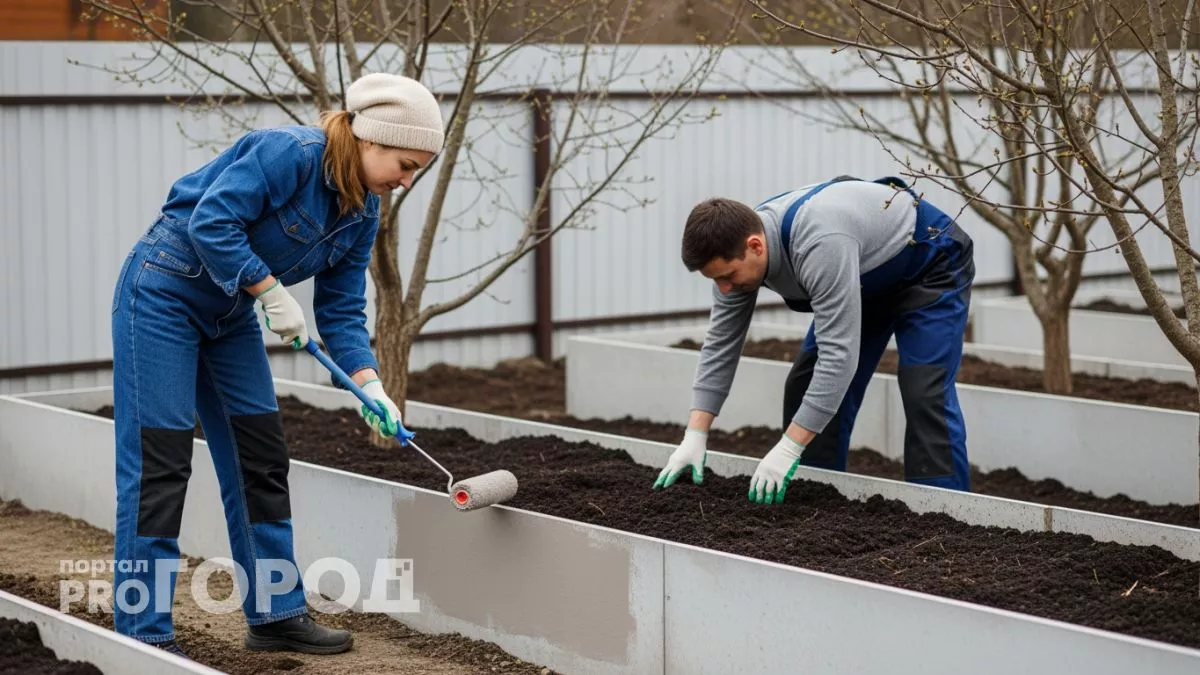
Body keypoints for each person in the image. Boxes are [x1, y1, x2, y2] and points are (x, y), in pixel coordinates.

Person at [109, 72, 444, 656]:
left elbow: (341, 312)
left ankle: (274, 614)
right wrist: (268, 288)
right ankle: (143, 635)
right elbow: (210, 220)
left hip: (229, 315)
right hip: (163, 292)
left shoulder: (362, 213)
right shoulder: (289, 154)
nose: (406, 181)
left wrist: (370, 385)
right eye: (405, 164)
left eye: (416, 171)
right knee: (161, 463)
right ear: (372, 138)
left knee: (260, 457)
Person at [652, 175, 975, 504]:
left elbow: (838, 357)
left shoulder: (818, 243)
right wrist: (695, 434)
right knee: (806, 384)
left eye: (728, 276)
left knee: (924, 391)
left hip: (929, 263)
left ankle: (945, 510)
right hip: (864, 274)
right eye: (716, 280)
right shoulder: (736, 252)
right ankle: (817, 498)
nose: (724, 288)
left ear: (755, 246)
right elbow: (720, 345)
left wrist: (788, 447)